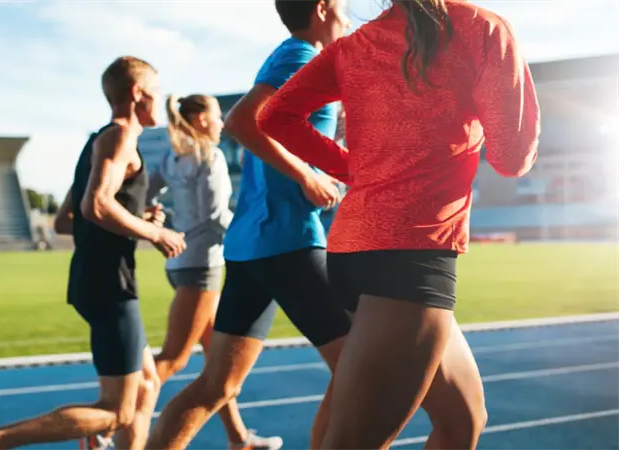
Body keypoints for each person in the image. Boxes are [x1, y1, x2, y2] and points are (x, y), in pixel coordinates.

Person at [257, 0, 540, 448]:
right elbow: (511, 158)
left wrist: (355, 170)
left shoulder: (356, 44)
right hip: (407, 258)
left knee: (464, 419)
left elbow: (274, 116)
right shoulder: (483, 29)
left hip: (353, 250)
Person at [0, 55, 187, 450]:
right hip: (110, 284)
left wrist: (138, 214)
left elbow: (66, 221)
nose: (159, 101)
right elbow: (95, 206)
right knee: (118, 411)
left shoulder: (97, 141)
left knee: (147, 384)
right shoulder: (120, 137)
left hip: (97, 279)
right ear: (138, 93)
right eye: (156, 92)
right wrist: (154, 233)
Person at [146, 1, 353, 449]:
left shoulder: (299, 60)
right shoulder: (299, 55)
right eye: (344, 7)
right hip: (288, 239)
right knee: (358, 369)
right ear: (321, 8)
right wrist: (307, 176)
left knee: (218, 385)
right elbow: (241, 122)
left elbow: (284, 134)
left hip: (253, 245)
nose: (350, 17)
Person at [145, 94, 283, 449]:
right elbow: (215, 216)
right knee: (172, 360)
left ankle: (239, 439)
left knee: (217, 364)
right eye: (218, 116)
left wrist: (153, 211)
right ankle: (113, 426)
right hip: (202, 266)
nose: (223, 123)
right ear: (200, 119)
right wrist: (252, 232)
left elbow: (147, 191)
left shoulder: (173, 156)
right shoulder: (210, 156)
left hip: (178, 263)